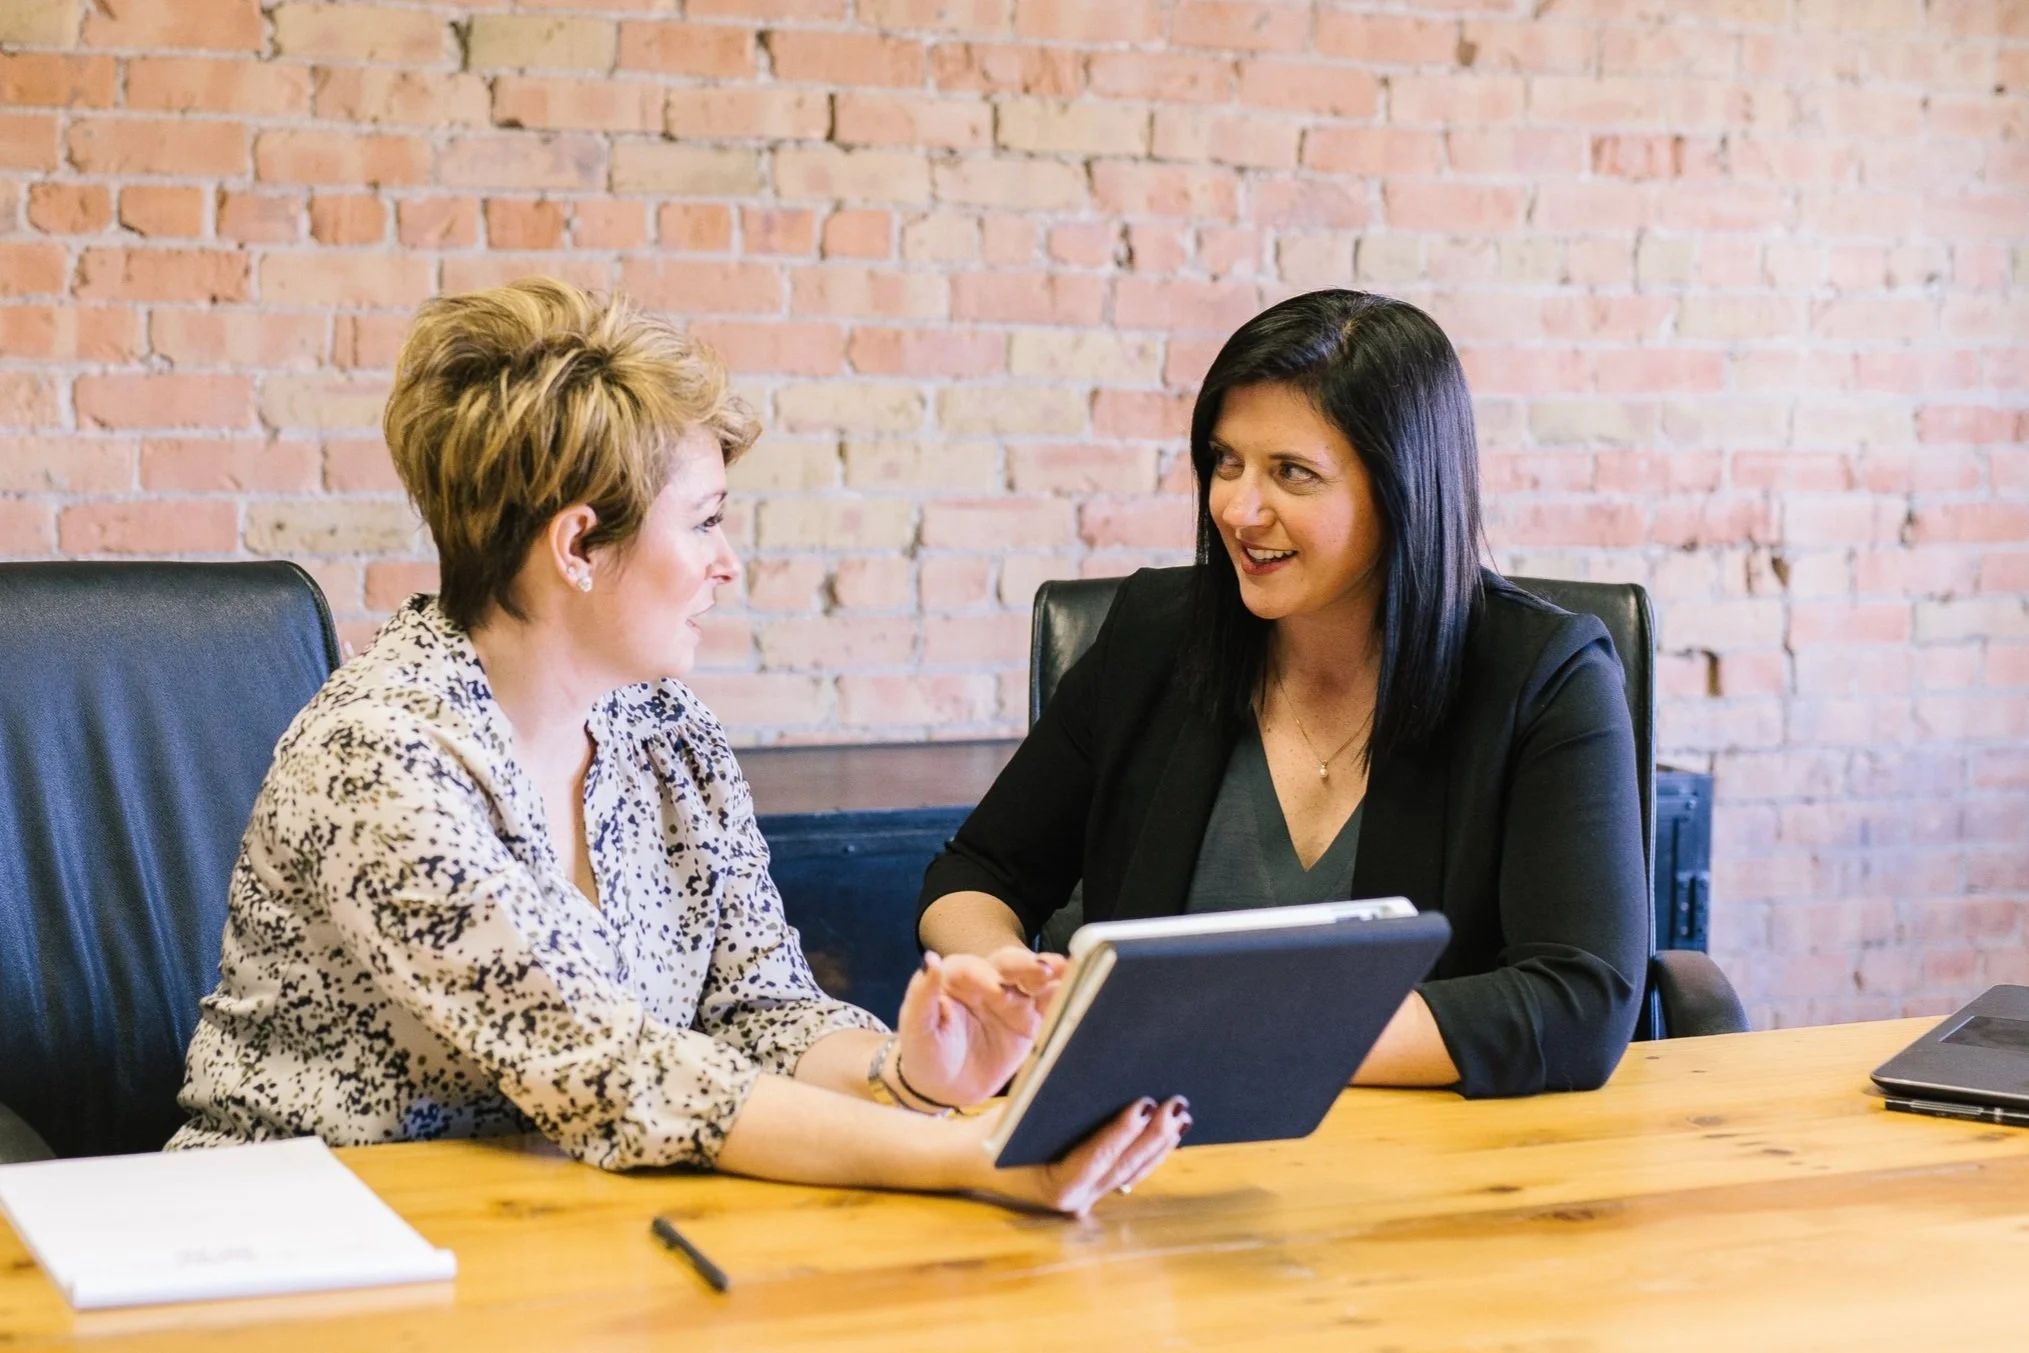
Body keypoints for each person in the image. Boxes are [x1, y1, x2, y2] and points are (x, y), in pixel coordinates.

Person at [169, 278, 1185, 1214]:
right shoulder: (381, 758)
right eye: (703, 522)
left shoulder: (665, 731)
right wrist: (970, 1156)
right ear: (577, 546)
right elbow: (613, 1070)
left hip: (558, 1227)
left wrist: (911, 1076)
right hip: (294, 1239)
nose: (727, 564)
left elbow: (760, 1009)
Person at [918, 290, 1649, 1098]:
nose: (1237, 507)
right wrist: (1003, 981)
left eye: (1291, 473)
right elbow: (976, 872)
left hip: (1425, 1162)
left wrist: (1217, 1037)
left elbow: (1578, 999)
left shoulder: (1545, 675)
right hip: (1142, 1147)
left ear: (1401, 487)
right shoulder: (1154, 634)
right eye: (1226, 462)